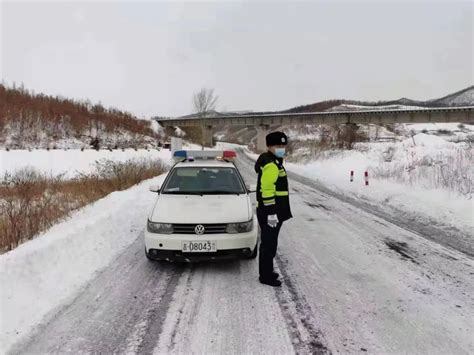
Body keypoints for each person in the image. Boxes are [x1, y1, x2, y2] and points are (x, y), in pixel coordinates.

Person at [254, 131, 292, 287]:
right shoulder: (271, 164)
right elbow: (267, 189)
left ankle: (267, 271)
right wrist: (271, 213)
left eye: (283, 145)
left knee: (270, 243)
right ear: (270, 146)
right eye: (278, 145)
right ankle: (265, 276)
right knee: (268, 245)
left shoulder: (274, 161)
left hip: (273, 211)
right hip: (271, 211)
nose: (281, 148)